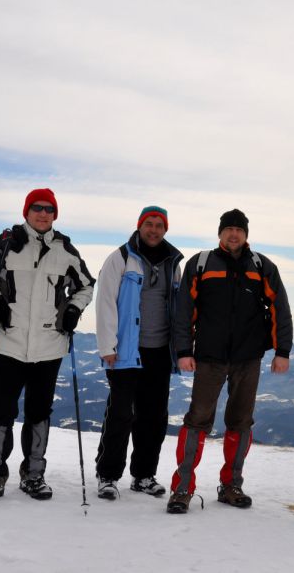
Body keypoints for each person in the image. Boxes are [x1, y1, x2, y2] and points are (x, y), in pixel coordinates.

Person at [0, 188, 95, 501]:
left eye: (49, 209)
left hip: (49, 346)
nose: (43, 213)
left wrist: (74, 309)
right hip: (10, 342)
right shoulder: (5, 244)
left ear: (55, 214)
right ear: (26, 211)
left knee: (39, 411)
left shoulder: (65, 250)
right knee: (1, 411)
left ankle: (34, 476)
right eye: (37, 208)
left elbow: (86, 286)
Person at [167, 208, 293, 514]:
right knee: (197, 421)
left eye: (239, 229)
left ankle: (231, 485)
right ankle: (182, 488)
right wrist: (183, 351)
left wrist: (282, 351)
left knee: (240, 421)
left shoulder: (262, 266)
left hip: (248, 358)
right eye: (229, 229)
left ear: (246, 235)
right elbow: (184, 311)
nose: (234, 234)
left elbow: (280, 307)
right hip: (209, 357)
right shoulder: (200, 264)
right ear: (220, 233)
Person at [93, 206, 183, 500]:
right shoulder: (120, 258)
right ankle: (108, 475)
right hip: (126, 351)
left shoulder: (173, 262)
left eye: (159, 225)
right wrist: (108, 346)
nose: (154, 230)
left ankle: (143, 475)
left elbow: (180, 309)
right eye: (149, 224)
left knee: (154, 417)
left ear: (165, 230)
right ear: (139, 226)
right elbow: (105, 301)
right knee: (120, 414)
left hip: (159, 350)